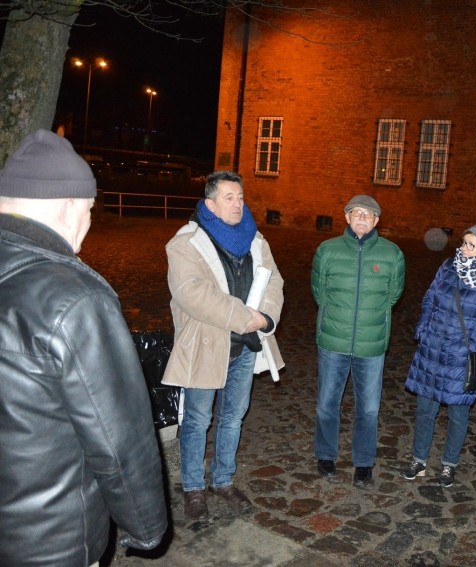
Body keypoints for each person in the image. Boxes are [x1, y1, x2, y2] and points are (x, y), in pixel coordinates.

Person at [0, 129, 167, 565]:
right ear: (70, 206)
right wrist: (147, 528)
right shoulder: (74, 299)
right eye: (91, 210)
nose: (89, 224)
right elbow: (117, 436)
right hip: (48, 539)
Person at [163, 170, 284, 523]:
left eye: (241, 197)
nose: (237, 203)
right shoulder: (186, 242)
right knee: (198, 420)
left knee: (233, 416)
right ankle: (193, 488)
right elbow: (191, 293)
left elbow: (274, 279)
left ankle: (222, 479)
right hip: (206, 345)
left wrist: (266, 317)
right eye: (229, 197)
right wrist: (245, 317)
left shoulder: (255, 239)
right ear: (210, 203)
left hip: (246, 346)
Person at [402, 223, 476, 487]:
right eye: (463, 242)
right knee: (425, 410)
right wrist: (423, 328)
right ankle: (419, 459)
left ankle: (449, 465)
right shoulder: (448, 267)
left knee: (458, 414)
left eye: (471, 245)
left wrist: (473, 343)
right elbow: (429, 298)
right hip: (433, 349)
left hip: (462, 356)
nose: (463, 248)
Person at [312, 194, 405, 486]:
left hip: (372, 344)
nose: (362, 218)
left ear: (377, 221)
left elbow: (393, 295)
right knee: (327, 403)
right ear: (346, 217)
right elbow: (319, 292)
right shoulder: (327, 250)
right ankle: (326, 454)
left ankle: (363, 462)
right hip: (333, 342)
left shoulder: (392, 254)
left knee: (368, 408)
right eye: (357, 212)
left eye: (369, 214)